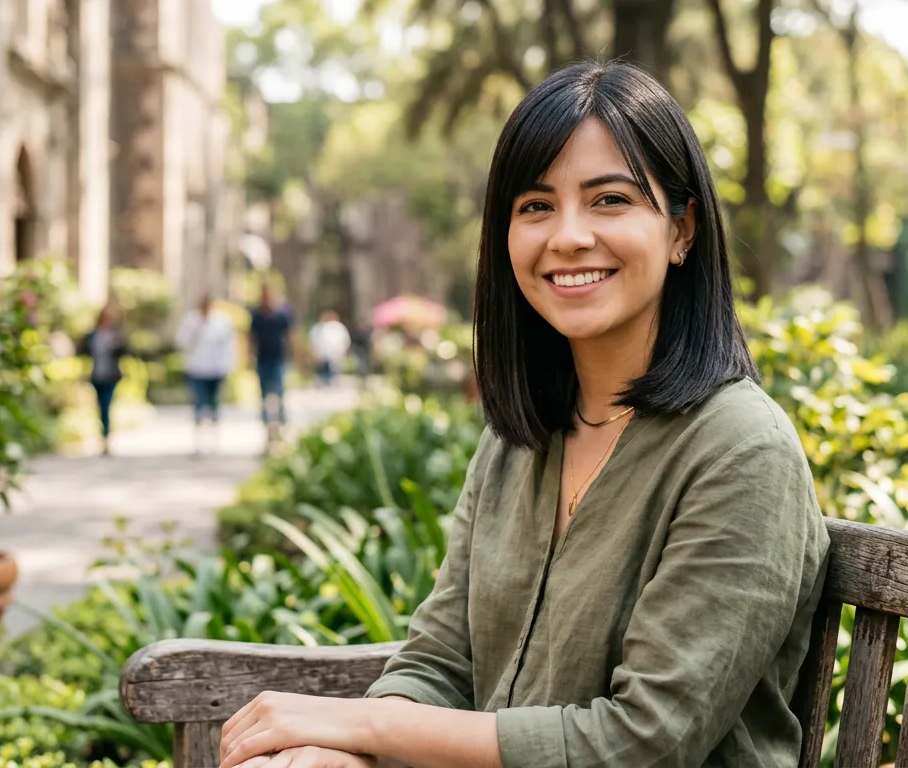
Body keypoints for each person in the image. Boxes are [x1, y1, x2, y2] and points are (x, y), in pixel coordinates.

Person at [216, 60, 830, 768]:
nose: (566, 236)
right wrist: (336, 756)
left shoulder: (740, 451)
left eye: (609, 201)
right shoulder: (521, 439)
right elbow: (441, 661)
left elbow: (641, 743)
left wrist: (363, 728)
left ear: (682, 230)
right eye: (536, 206)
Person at [175, 295, 238, 455]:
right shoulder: (191, 320)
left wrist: (228, 366)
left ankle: (215, 442)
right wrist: (196, 328)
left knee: (214, 405)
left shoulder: (222, 321)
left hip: (215, 370)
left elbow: (228, 346)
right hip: (196, 369)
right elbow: (182, 342)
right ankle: (199, 443)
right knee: (198, 405)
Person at [77, 304, 129, 457]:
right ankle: (103, 436)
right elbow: (83, 351)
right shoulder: (93, 334)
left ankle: (106, 438)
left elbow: (125, 351)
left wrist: (118, 344)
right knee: (100, 407)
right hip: (97, 375)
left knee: (106, 406)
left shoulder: (115, 334)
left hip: (111, 375)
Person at [248, 285, 294, 448]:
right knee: (264, 396)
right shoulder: (257, 316)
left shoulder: (282, 316)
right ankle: (267, 431)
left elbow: (290, 336)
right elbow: (251, 338)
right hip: (262, 360)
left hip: (278, 359)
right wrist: (249, 356)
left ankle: (281, 428)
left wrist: (296, 355)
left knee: (280, 394)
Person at [307, 309, 351, 387]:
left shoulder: (339, 327)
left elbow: (345, 340)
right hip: (322, 353)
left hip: (336, 353)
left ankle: (332, 384)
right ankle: (324, 383)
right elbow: (313, 340)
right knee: (323, 370)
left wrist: (344, 351)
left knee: (334, 369)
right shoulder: (318, 327)